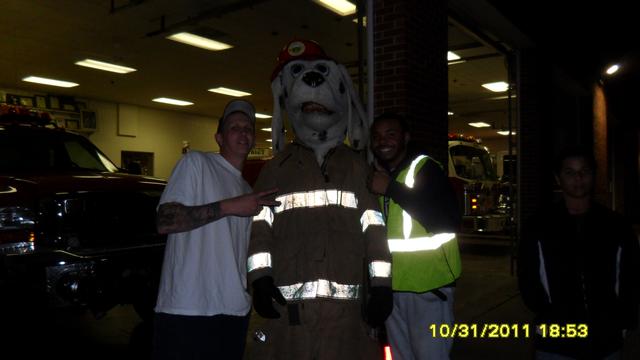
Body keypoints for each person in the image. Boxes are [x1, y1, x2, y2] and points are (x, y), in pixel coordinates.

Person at [247, 39, 392, 359]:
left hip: (347, 318)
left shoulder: (357, 168)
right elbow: (260, 227)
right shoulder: (276, 170)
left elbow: (374, 228)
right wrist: (260, 279)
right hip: (291, 317)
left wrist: (381, 285)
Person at [152, 99, 279, 360]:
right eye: (235, 127)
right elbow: (165, 221)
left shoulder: (246, 189)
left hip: (233, 311)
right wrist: (231, 206)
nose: (243, 132)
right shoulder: (196, 163)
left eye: (248, 128)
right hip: (187, 309)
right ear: (219, 137)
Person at [518, 147, 640, 360]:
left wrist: (623, 322)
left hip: (606, 338)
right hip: (555, 339)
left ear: (593, 175)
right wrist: (548, 312)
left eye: (584, 171)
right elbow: (527, 276)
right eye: (570, 172)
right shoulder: (539, 225)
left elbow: (630, 276)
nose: (578, 178)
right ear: (558, 178)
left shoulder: (616, 225)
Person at [368, 113, 462, 360]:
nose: (383, 141)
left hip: (430, 290)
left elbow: (447, 221)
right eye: (377, 136)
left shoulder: (425, 169)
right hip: (393, 290)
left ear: (406, 138)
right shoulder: (380, 176)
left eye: (391, 134)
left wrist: (391, 189)